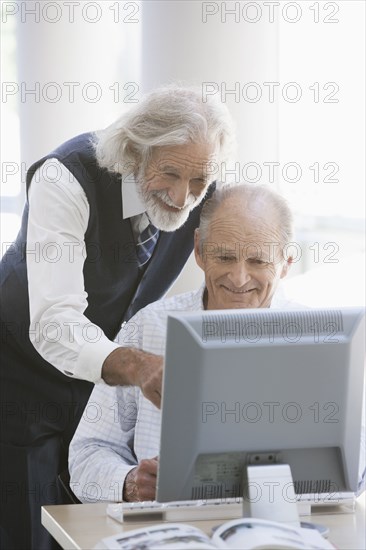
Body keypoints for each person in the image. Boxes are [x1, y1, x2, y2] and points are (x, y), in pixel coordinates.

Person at [0, 85, 234, 549]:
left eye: (199, 181)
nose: (184, 196)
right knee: (32, 526)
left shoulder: (200, 193)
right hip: (18, 372)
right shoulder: (64, 178)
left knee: (101, 519)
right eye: (170, 173)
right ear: (134, 153)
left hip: (94, 383)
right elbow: (55, 322)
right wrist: (138, 365)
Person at [68, 183, 297, 502]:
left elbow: (354, 473)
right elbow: (87, 455)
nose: (239, 278)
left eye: (258, 262)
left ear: (286, 262)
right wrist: (129, 482)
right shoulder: (149, 327)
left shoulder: (321, 339)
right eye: (225, 257)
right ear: (200, 251)